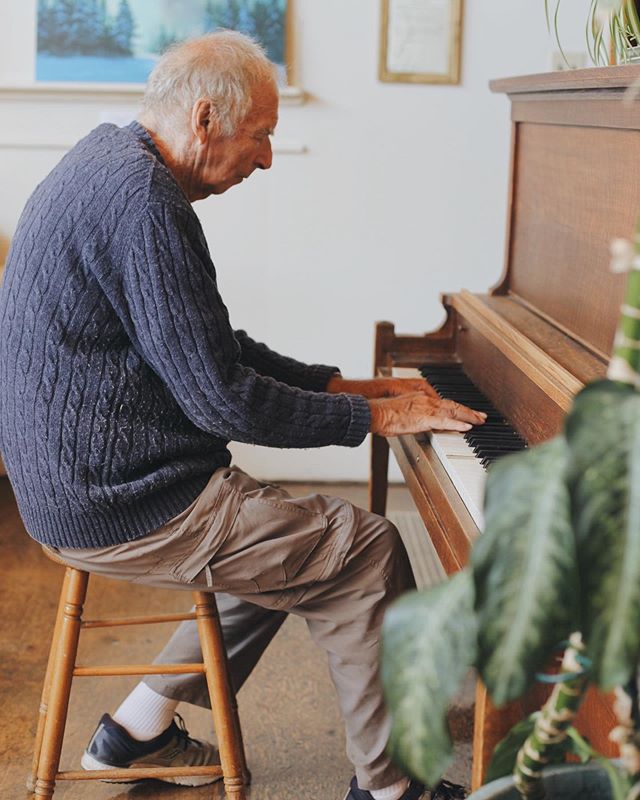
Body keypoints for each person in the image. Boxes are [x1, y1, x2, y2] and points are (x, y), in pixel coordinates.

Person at [0, 31, 484, 800]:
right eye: (260, 136)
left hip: (81, 480)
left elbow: (211, 347)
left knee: (286, 543)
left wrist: (348, 386)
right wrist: (374, 420)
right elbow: (220, 397)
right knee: (362, 548)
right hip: (117, 498)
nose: (263, 158)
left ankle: (136, 729)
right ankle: (393, 788)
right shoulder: (144, 206)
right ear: (203, 120)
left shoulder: (109, 162)